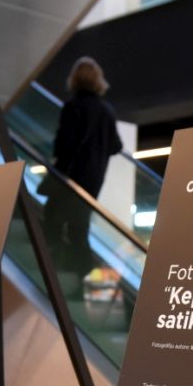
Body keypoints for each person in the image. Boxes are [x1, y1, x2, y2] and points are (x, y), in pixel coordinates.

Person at [44, 57, 123, 290]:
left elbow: (64, 145)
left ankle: (52, 273)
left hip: (70, 178)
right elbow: (116, 146)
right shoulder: (107, 111)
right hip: (93, 181)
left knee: (51, 219)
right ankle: (83, 284)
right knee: (79, 229)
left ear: (75, 79)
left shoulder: (73, 106)